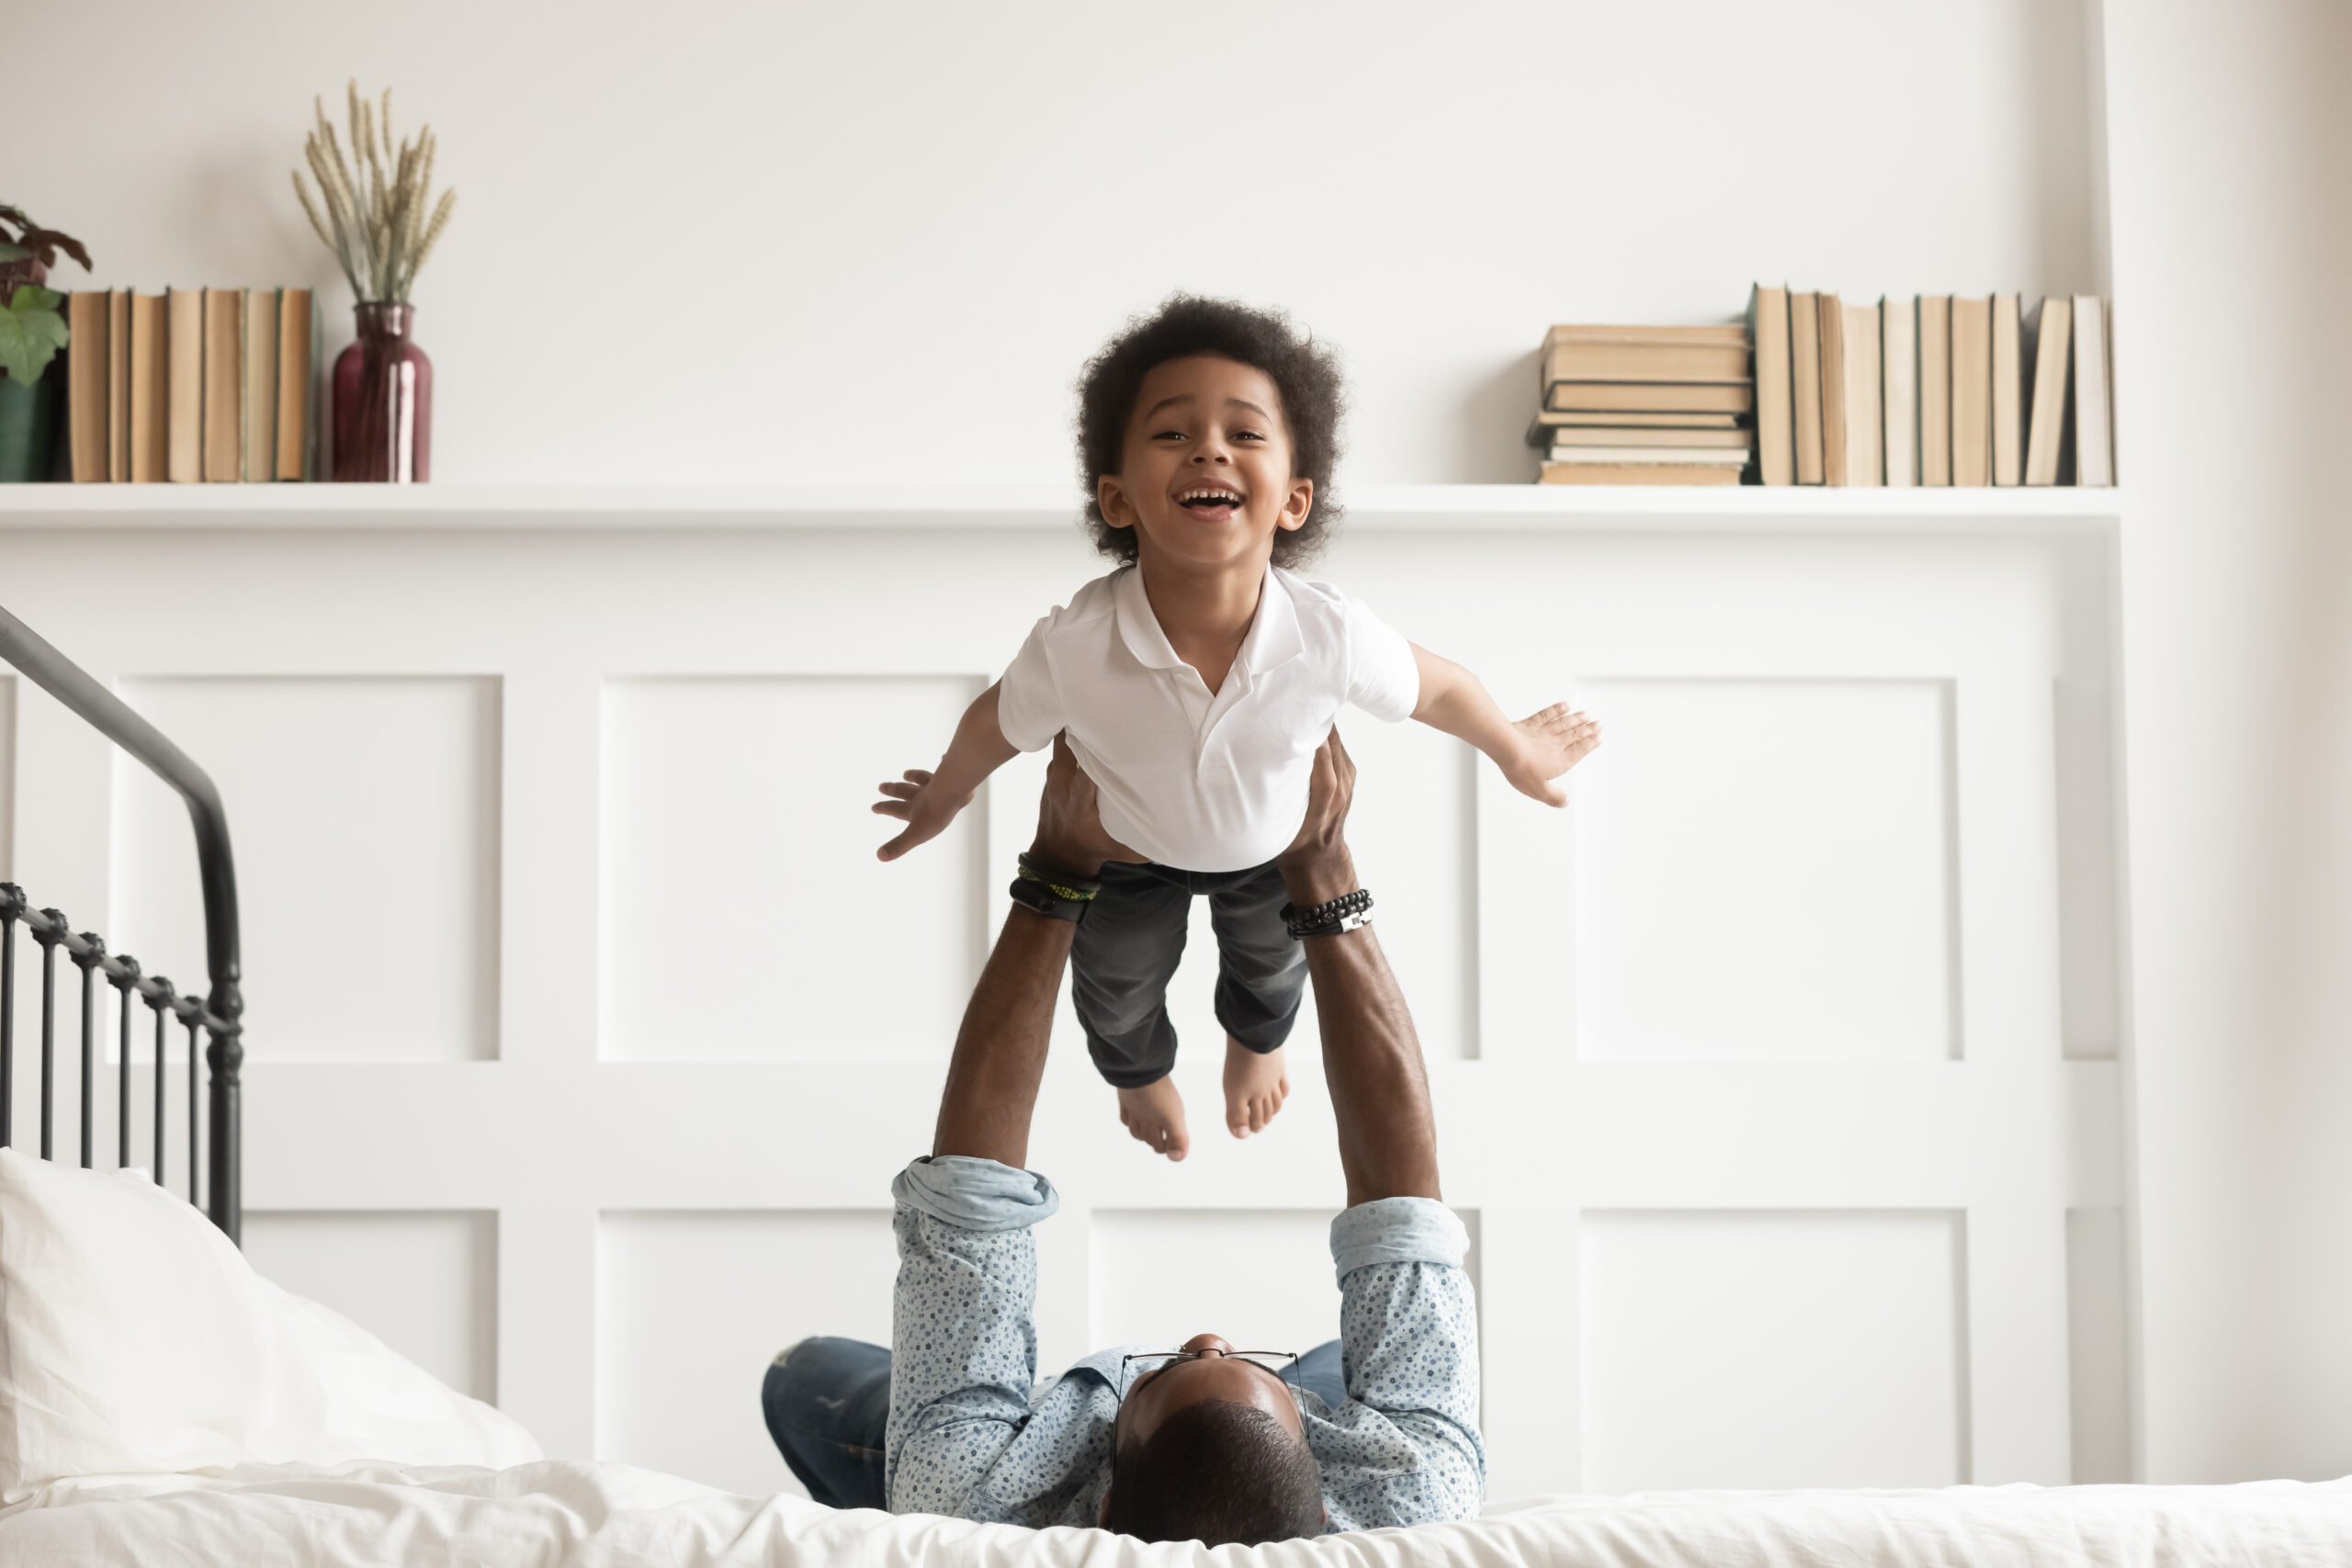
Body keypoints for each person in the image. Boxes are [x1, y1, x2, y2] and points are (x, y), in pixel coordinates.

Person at [869, 292, 1598, 1158]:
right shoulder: (1077, 642)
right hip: (1127, 861)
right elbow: (996, 720)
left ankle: (1255, 1045)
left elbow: (1439, 687)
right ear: (1116, 497)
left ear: (1294, 500)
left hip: (1270, 855)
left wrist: (1515, 748)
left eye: (1244, 434)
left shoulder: (1327, 632)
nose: (1210, 447)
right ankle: (1138, 1072)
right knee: (1113, 988)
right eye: (1172, 434)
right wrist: (945, 796)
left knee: (1272, 970)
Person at [768, 726, 1484, 1545]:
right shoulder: (1412, 1494)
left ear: (1101, 1513)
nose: (1202, 1336)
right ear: (1327, 1504)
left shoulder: (974, 1501)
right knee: (1350, 1352)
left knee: (801, 1376)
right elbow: (1403, 1215)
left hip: (1013, 1456)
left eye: (1174, 1363)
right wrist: (1324, 870)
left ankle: (936, 1443)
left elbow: (970, 1202)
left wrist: (1057, 873)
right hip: (1283, 1444)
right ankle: (1259, 1381)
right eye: (1227, 1358)